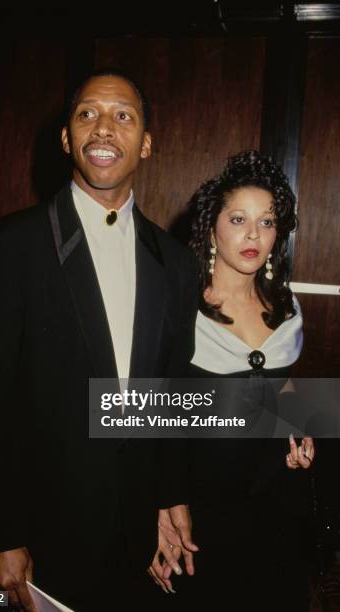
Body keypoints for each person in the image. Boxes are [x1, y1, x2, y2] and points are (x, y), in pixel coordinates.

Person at [0, 70, 199, 612]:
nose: (104, 129)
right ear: (66, 138)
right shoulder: (5, 249)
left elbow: (169, 391)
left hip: (135, 534)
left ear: (147, 144)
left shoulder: (177, 263)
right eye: (87, 114)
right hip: (38, 536)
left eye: (123, 117)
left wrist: (167, 497)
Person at [149, 150, 315, 611]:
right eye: (239, 218)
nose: (253, 235)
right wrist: (164, 502)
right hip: (201, 507)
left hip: (271, 502)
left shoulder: (287, 306)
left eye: (267, 222)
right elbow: (155, 417)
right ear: (210, 227)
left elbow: (283, 394)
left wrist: (299, 431)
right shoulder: (180, 308)